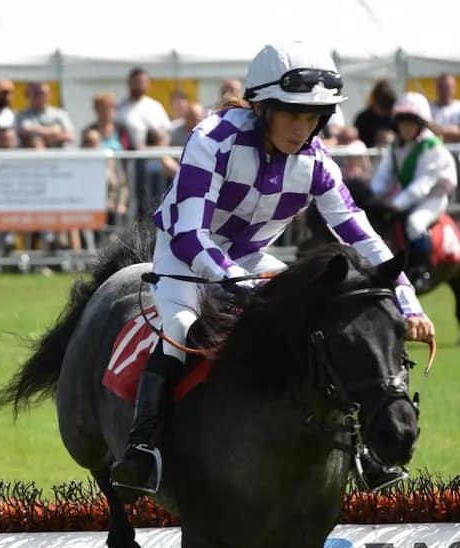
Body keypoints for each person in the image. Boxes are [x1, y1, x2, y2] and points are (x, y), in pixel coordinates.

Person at [109, 40, 435, 496]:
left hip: (249, 260)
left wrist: (408, 300)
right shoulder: (212, 139)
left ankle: (361, 452)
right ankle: (143, 448)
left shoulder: (318, 162)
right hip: (184, 257)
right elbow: (189, 235)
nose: (302, 129)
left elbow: (359, 234)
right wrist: (239, 286)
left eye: (312, 118)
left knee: (321, 331)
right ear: (262, 107)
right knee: (182, 329)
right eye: (292, 114)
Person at [369, 92, 458, 292]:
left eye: (411, 122)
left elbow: (422, 185)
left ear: (421, 124)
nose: (406, 127)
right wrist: (372, 198)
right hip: (406, 194)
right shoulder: (396, 146)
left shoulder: (431, 147)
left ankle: (421, 270)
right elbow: (383, 177)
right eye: (402, 122)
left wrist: (394, 205)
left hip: (433, 198)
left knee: (415, 223)